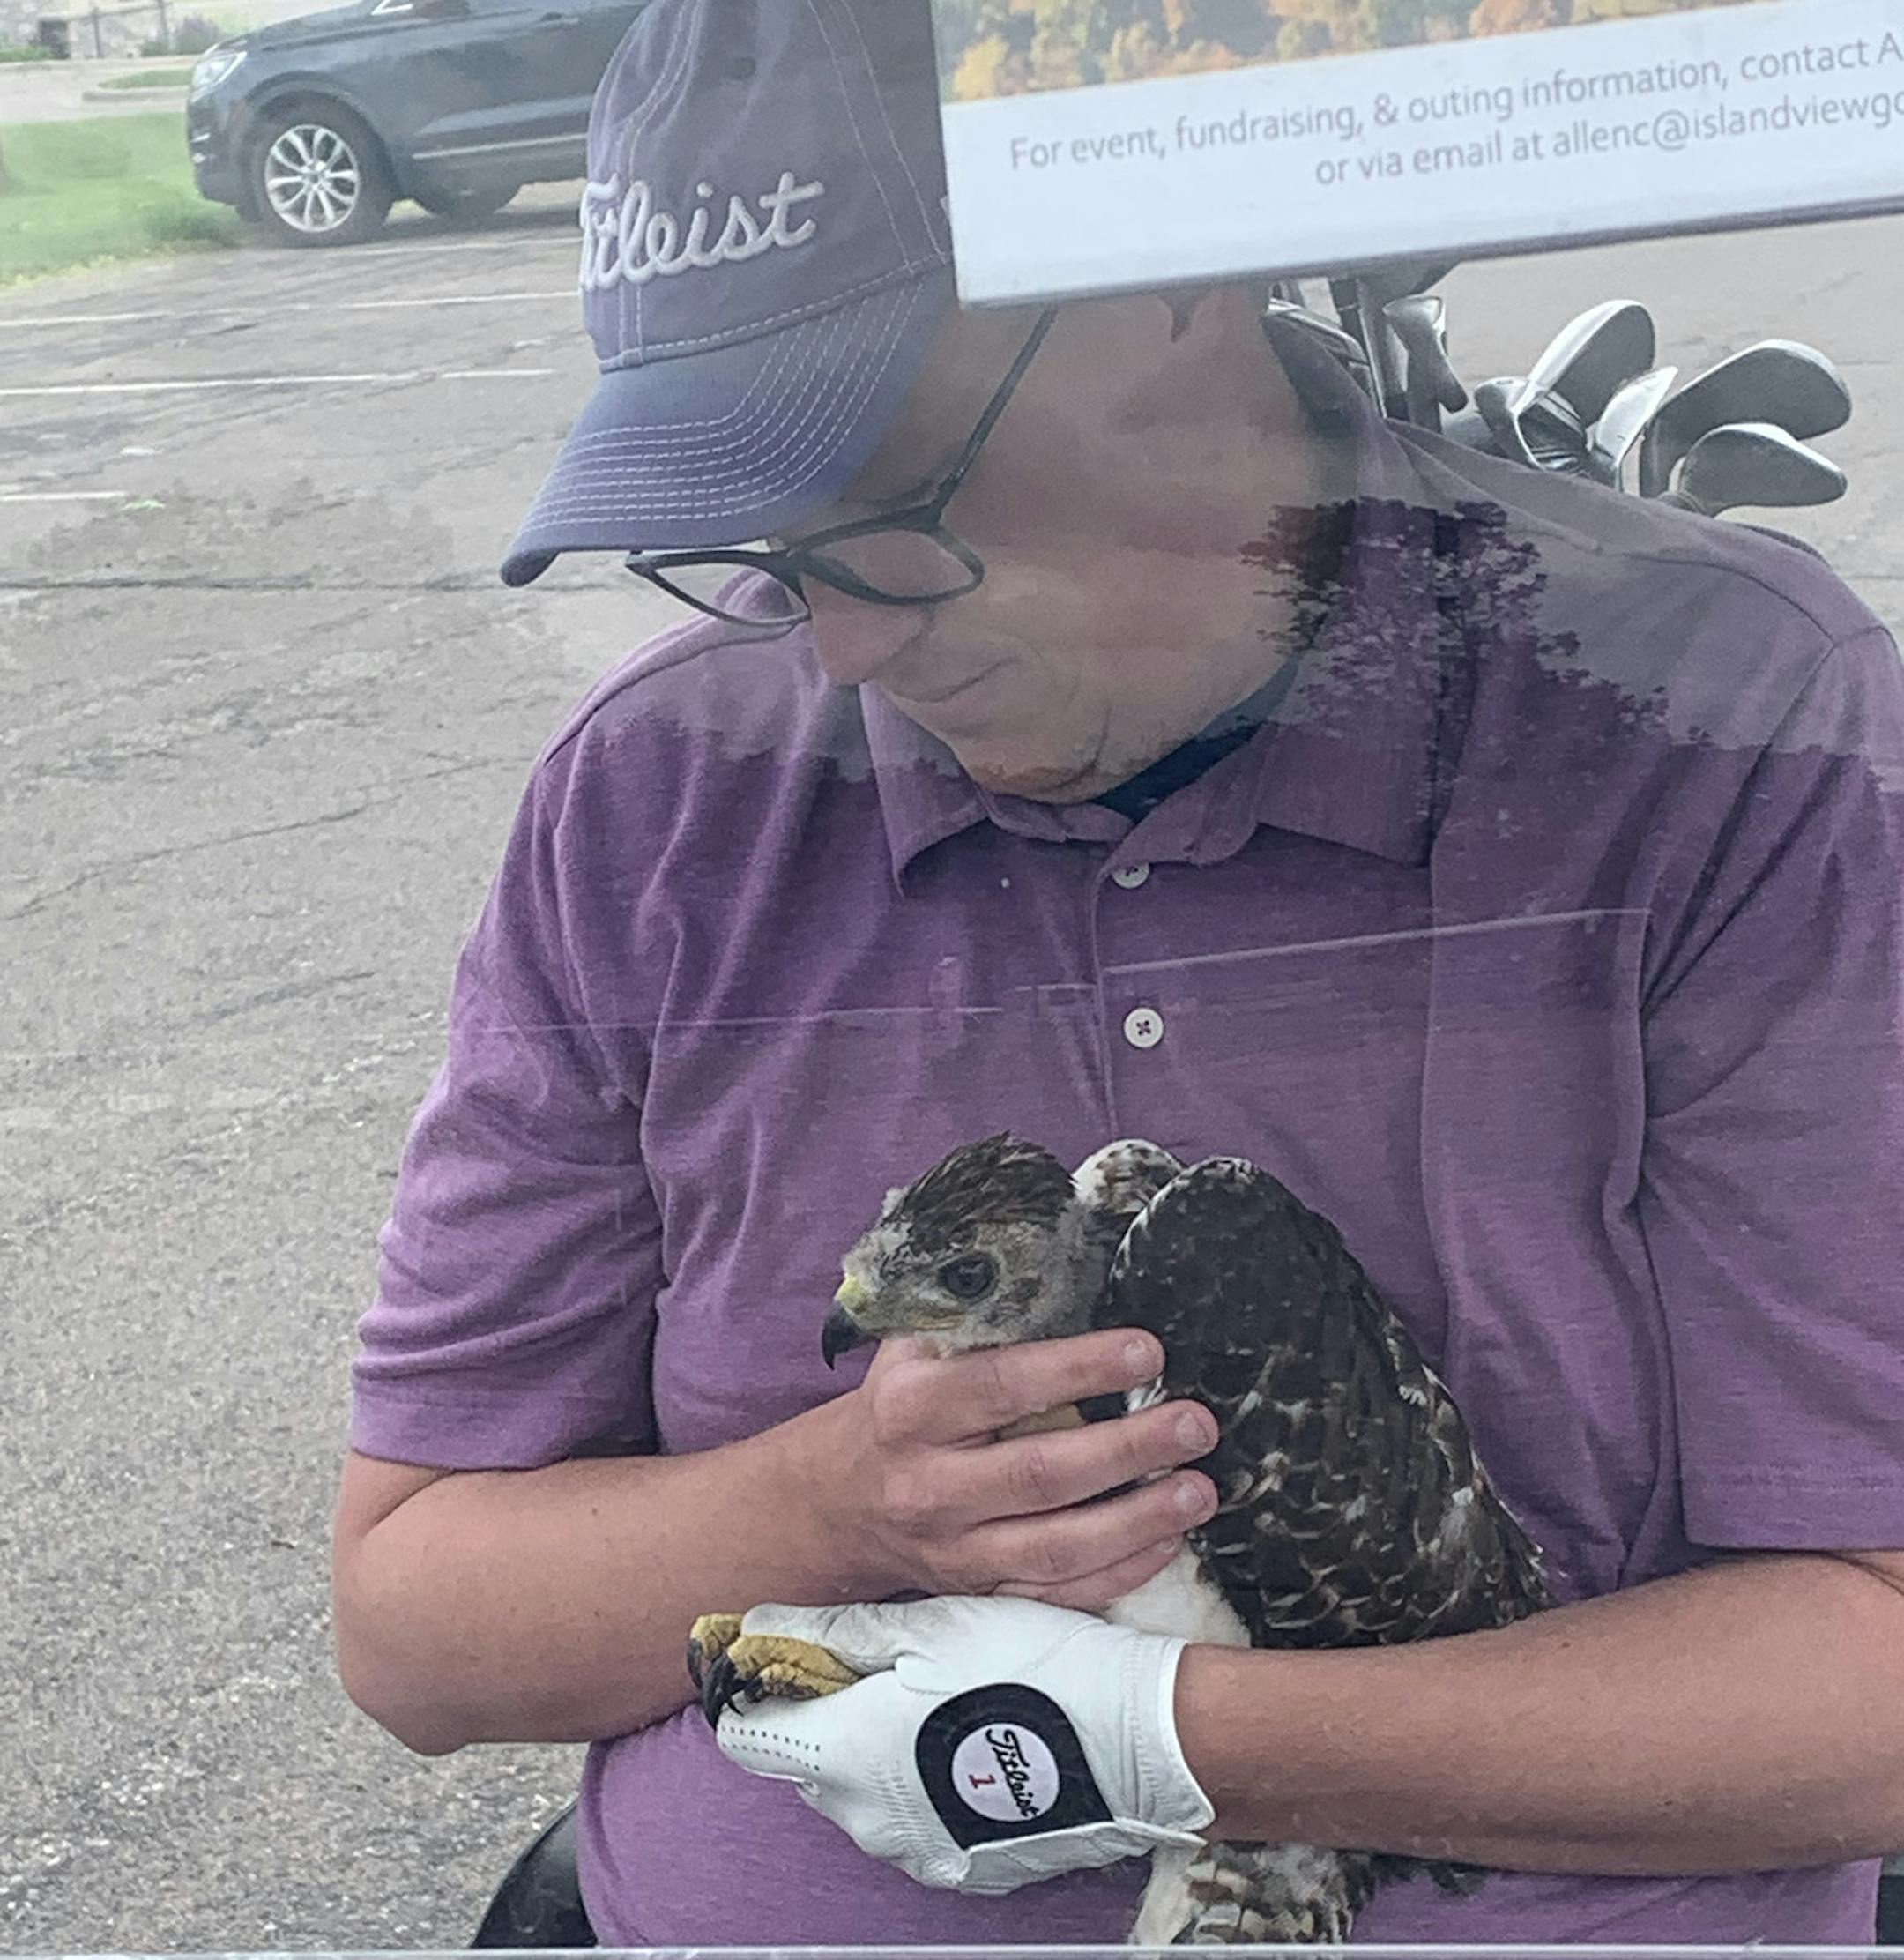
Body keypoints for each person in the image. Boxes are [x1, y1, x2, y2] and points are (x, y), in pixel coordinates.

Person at [331, 0, 1904, 1946]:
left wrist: (1172, 1736)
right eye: (761, 529)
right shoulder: (660, 798)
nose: (829, 649)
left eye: (892, 502)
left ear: (1179, 276)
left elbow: (1871, 1685)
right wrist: (839, 1502)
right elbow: (413, 1618)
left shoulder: (1721, 731)